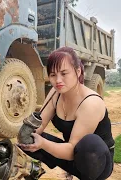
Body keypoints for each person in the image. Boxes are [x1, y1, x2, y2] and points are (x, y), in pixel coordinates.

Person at [18, 47, 115, 180]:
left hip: (97, 163)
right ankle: (33, 170)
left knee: (89, 144)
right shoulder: (55, 92)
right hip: (71, 156)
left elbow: (72, 150)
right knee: (29, 137)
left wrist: (43, 144)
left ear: (78, 71)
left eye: (64, 73)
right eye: (53, 75)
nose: (58, 80)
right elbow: (38, 127)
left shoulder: (91, 103)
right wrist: (28, 137)